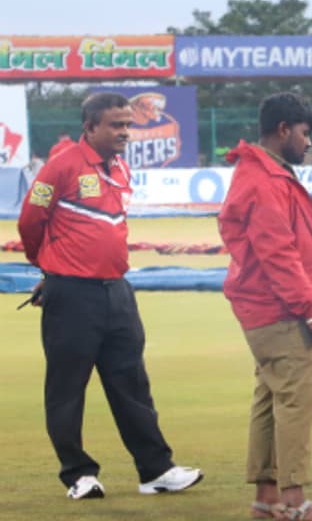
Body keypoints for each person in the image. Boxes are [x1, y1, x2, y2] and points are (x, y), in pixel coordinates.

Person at [17, 92, 203, 500]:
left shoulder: (119, 166)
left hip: (117, 291)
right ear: (90, 127)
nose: (124, 132)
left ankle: (155, 470)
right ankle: (78, 474)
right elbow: (30, 220)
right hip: (71, 294)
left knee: (132, 384)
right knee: (67, 388)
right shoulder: (60, 166)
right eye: (115, 125)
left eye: (127, 125)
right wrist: (48, 266)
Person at [219, 92, 312, 521]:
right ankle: (295, 503)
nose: (309, 142)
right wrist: (310, 310)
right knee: (296, 399)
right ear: (283, 130)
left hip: (263, 307)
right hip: (278, 309)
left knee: (270, 399)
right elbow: (278, 253)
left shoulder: (260, 173)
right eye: (305, 133)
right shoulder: (264, 181)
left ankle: (267, 499)